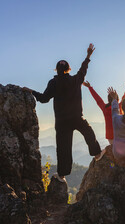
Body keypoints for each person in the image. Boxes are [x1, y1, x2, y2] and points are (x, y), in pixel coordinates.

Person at [22, 44, 103, 183]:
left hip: (62, 122)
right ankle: (96, 153)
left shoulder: (53, 82)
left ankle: (62, 175)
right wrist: (88, 56)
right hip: (77, 117)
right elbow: (83, 70)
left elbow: (44, 98)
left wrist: (31, 91)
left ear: (57, 70)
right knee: (88, 131)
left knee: (63, 148)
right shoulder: (75, 80)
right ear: (68, 69)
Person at [83, 70, 125, 144]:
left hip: (110, 136)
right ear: (117, 99)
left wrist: (90, 87)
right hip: (121, 133)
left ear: (108, 100)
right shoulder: (120, 106)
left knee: (114, 152)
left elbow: (98, 99)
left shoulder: (104, 108)